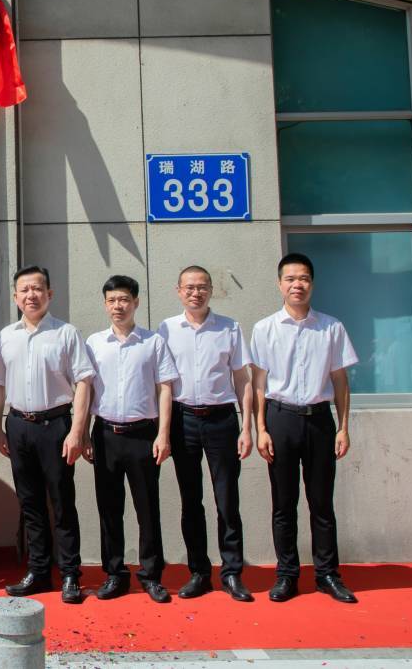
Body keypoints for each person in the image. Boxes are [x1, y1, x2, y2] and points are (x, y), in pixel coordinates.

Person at [251, 253, 359, 604]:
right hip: (280, 419)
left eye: (304, 279)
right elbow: (258, 384)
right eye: (290, 279)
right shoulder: (265, 329)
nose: (297, 285)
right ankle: (287, 575)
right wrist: (260, 428)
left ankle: (327, 575)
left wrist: (343, 427)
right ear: (279, 284)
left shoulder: (331, 327)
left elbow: (340, 381)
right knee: (283, 504)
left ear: (312, 283)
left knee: (322, 503)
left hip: (319, 421)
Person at [0, 266, 94, 604]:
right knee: (30, 503)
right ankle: (38, 571)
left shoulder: (66, 333)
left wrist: (77, 431)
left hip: (56, 427)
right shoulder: (6, 336)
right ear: (15, 297)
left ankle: (70, 574)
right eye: (24, 290)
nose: (31, 295)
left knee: (62, 502)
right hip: (18, 426)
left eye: (37, 289)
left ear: (49, 294)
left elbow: (84, 382)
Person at [157, 266, 255, 602]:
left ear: (211, 290)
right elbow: (163, 383)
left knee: (227, 499)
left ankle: (232, 573)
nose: (195, 293)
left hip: (221, 420)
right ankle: (198, 572)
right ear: (178, 290)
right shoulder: (166, 329)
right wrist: (162, 430)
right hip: (183, 419)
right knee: (191, 500)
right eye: (189, 287)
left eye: (202, 287)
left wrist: (246, 427)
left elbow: (242, 379)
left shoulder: (229, 328)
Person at [85, 275, 179, 603]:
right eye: (112, 300)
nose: (118, 306)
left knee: (147, 508)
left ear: (136, 302)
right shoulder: (94, 343)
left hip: (143, 435)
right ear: (105, 304)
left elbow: (165, 388)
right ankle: (115, 574)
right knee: (109, 508)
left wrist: (163, 434)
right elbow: (85, 391)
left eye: (124, 299)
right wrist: (83, 433)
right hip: (105, 434)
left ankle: (151, 575)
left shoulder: (153, 342)